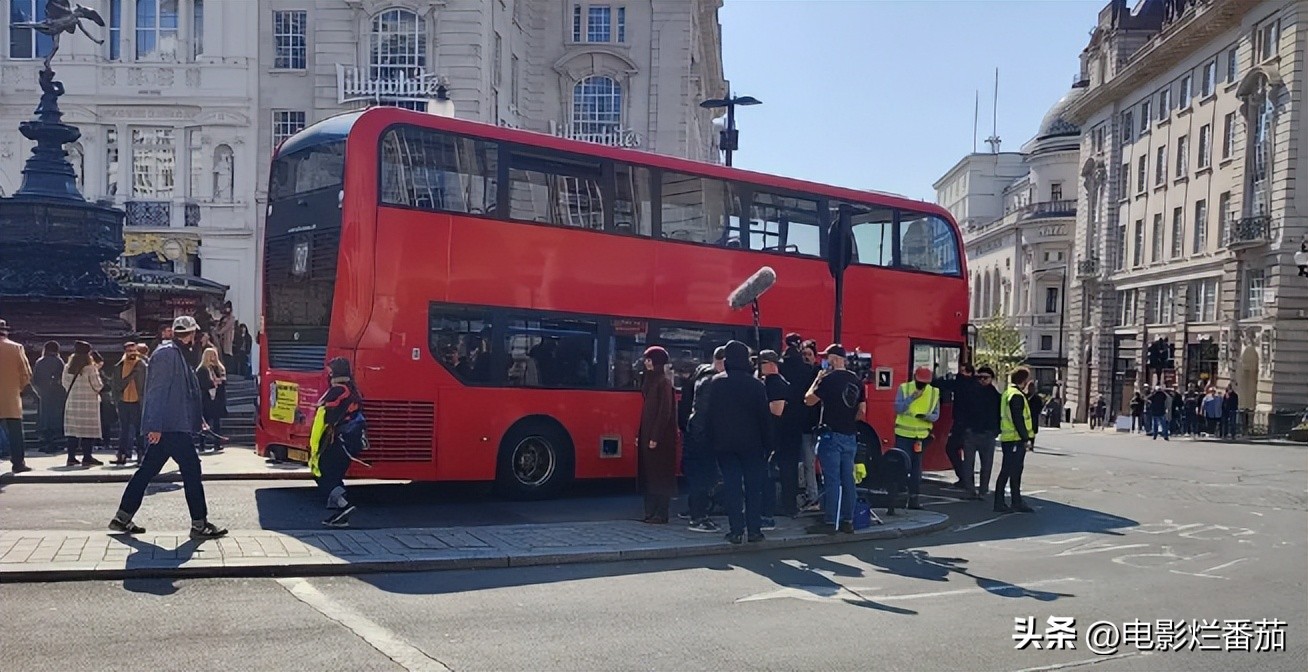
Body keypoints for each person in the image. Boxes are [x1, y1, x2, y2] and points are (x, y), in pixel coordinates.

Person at [108, 315, 227, 540]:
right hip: (170, 426)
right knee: (191, 470)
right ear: (190, 334)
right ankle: (199, 523)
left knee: (147, 471)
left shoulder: (176, 354)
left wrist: (196, 418)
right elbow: (157, 391)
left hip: (172, 424)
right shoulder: (167, 354)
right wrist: (154, 425)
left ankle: (122, 517)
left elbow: (184, 393)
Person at [703, 340, 773, 544]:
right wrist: (769, 445)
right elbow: (764, 418)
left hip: (724, 445)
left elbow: (710, 415)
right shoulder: (756, 385)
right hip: (752, 445)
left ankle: (735, 530)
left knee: (732, 487)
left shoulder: (716, 382)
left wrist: (709, 440)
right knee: (753, 488)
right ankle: (754, 530)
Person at [805, 344, 867, 533]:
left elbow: (809, 400)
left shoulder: (827, 379)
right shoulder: (857, 381)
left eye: (827, 358)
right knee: (848, 479)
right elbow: (862, 412)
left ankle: (831, 522)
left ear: (833, 359)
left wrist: (816, 380)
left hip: (830, 435)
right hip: (850, 435)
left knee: (832, 480)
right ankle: (848, 520)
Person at [310, 357, 367, 527]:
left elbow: (325, 413)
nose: (328, 375)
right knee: (334, 475)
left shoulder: (338, 390)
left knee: (322, 473)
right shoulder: (352, 389)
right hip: (350, 441)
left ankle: (344, 506)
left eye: (330, 372)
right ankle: (339, 515)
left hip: (338, 440)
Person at [680, 346, 725, 533]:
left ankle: (695, 513)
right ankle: (699, 518)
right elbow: (702, 412)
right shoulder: (710, 381)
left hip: (694, 435)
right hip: (703, 438)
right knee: (704, 478)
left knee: (698, 477)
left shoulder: (699, 375)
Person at [637, 346, 678, 524]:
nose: (646, 362)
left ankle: (660, 513)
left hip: (660, 439)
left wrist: (655, 436)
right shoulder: (651, 381)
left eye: (650, 359)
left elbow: (664, 412)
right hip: (648, 435)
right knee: (649, 474)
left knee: (659, 475)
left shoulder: (664, 383)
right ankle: (650, 512)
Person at [777, 333, 816, 517]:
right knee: (797, 464)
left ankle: (776, 502)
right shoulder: (806, 369)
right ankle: (790, 504)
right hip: (800, 420)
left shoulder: (779, 366)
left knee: (782, 462)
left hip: (779, 419)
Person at [892, 366, 940, 510]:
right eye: (920, 382)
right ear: (914, 378)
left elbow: (936, 415)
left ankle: (914, 499)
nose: (922, 386)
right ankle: (898, 498)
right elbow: (898, 408)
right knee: (900, 466)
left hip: (920, 437)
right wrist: (912, 398)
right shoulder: (904, 388)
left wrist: (926, 417)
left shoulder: (934, 392)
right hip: (903, 434)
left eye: (924, 383)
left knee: (916, 469)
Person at [930, 363, 977, 496]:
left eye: (962, 371)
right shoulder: (974, 384)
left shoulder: (962, 383)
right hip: (969, 424)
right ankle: (966, 479)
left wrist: (934, 376)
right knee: (965, 452)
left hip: (961, 423)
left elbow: (943, 384)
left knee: (953, 448)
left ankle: (965, 479)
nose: (959, 374)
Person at [755, 349, 788, 531]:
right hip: (766, 436)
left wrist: (757, 405)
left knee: (766, 478)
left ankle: (767, 515)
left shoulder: (776, 383)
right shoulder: (767, 382)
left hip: (773, 437)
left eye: (761, 364)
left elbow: (777, 410)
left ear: (770, 364)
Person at [995, 367, 1035, 513]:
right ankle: (1003, 503)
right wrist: (1026, 438)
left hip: (1009, 438)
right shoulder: (1016, 395)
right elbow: (1018, 419)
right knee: (1009, 470)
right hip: (1014, 439)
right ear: (1023, 380)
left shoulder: (1008, 393)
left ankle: (1014, 501)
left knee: (1013, 470)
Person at [62, 341, 104, 467]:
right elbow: (98, 385)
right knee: (88, 430)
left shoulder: (67, 367)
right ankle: (87, 457)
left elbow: (64, 384)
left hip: (73, 401)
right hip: (88, 402)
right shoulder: (91, 368)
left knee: (72, 431)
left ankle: (71, 457)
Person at [0, 319, 33, 473]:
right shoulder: (16, 348)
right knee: (15, 432)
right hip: (10, 396)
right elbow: (26, 374)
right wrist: (17, 388)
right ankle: (18, 463)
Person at [965, 366, 1002, 498]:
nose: (982, 380)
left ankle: (983, 490)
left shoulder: (996, 396)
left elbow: (999, 415)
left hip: (988, 433)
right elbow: (963, 412)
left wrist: (996, 430)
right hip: (971, 432)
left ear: (991, 379)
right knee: (968, 464)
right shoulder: (970, 392)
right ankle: (970, 490)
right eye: (979, 377)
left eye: (985, 378)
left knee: (986, 465)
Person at [111, 342, 147, 465]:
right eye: (129, 351)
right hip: (123, 401)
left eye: (133, 350)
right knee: (124, 429)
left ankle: (141, 454)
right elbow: (116, 385)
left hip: (138, 401)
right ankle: (122, 454)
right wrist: (116, 400)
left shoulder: (142, 365)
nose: (131, 353)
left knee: (139, 429)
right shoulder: (119, 366)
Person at [32, 340, 66, 454]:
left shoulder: (40, 362)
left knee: (44, 417)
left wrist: (39, 390)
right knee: (56, 417)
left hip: (43, 393)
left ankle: (45, 441)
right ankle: (55, 442)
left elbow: (35, 379)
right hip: (57, 394)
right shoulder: (59, 362)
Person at [196, 347, 229, 453]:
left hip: (217, 399)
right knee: (205, 423)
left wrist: (219, 381)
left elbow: (224, 381)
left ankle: (217, 444)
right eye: (211, 355)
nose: (213, 358)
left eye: (214, 355)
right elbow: (202, 384)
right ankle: (202, 445)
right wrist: (213, 383)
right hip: (206, 399)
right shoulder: (202, 369)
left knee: (217, 423)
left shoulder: (218, 368)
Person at [214, 301, 236, 372]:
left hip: (227, 341)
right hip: (220, 341)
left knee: (227, 356)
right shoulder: (223, 318)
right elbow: (219, 326)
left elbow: (226, 327)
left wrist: (218, 332)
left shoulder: (231, 319)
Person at [1026, 382, 1045, 450]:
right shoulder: (1025, 396)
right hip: (1026, 416)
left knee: (1033, 431)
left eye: (1032, 388)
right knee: (1026, 431)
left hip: (1034, 416)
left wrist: (1037, 412)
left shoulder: (1037, 398)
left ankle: (1031, 444)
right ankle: (1026, 443)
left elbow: (1040, 406)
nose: (1031, 389)